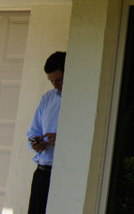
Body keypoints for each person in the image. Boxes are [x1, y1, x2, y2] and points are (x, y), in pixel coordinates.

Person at [26, 51, 65, 214]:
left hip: (63, 173)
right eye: (52, 81)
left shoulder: (82, 99)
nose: (55, 84)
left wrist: (62, 139)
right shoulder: (48, 98)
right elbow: (33, 132)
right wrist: (36, 144)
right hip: (42, 173)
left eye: (59, 80)